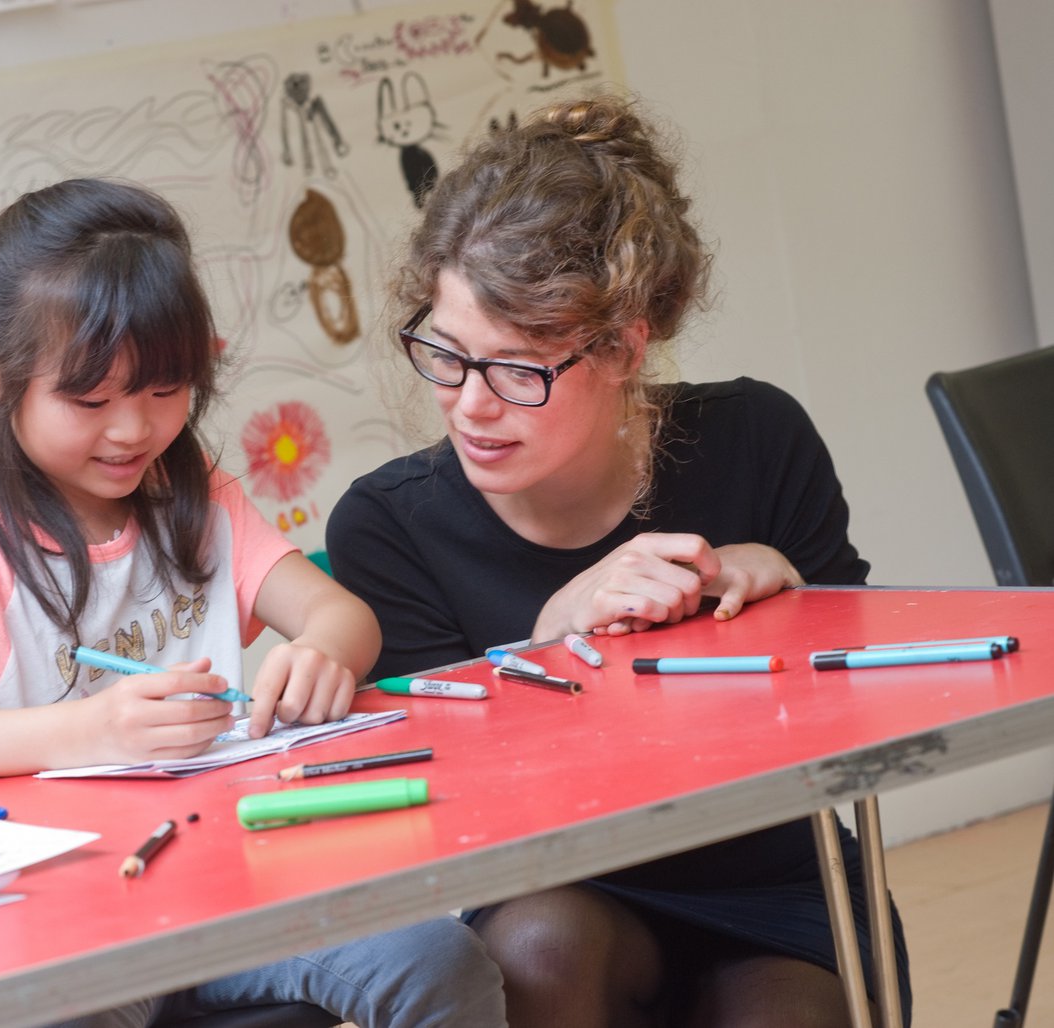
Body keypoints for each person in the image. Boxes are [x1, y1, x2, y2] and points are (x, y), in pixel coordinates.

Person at [0, 177, 504, 1027]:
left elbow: (342, 616)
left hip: (230, 875)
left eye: (163, 390)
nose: (132, 431)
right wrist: (87, 733)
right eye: (90, 399)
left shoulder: (196, 498)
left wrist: (321, 653)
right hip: (70, 917)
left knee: (436, 960)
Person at [327, 94, 912, 1027]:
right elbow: (443, 801)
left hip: (767, 877)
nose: (471, 405)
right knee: (542, 948)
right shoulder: (388, 526)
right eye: (446, 354)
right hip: (552, 879)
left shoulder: (757, 438)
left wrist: (785, 599)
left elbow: (861, 721)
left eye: (519, 370)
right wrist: (553, 633)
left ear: (625, 346)